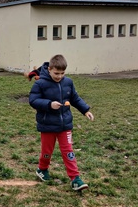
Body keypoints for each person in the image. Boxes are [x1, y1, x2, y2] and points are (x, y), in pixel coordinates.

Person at [28, 54, 94, 191]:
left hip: (65, 125)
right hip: (47, 125)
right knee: (47, 151)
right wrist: (49, 104)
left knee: (68, 151)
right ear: (49, 69)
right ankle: (42, 169)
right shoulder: (40, 83)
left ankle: (75, 179)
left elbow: (75, 98)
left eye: (62, 73)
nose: (59, 76)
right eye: (56, 73)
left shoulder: (68, 82)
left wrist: (85, 110)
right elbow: (33, 100)